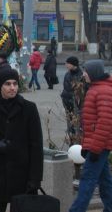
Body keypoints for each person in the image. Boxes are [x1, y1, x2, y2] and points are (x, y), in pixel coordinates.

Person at [0, 68, 43, 212]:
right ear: (0, 85)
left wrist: (35, 179)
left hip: (23, 174)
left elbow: (36, 145)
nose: (12, 87)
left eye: (15, 83)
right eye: (7, 84)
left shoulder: (29, 108)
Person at [69, 59, 112, 211]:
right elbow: (92, 122)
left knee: (87, 180)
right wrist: (88, 145)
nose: (84, 74)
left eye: (86, 71)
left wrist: (94, 148)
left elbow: (105, 122)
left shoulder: (103, 91)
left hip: (99, 145)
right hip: (98, 144)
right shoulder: (97, 88)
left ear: (94, 73)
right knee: (105, 181)